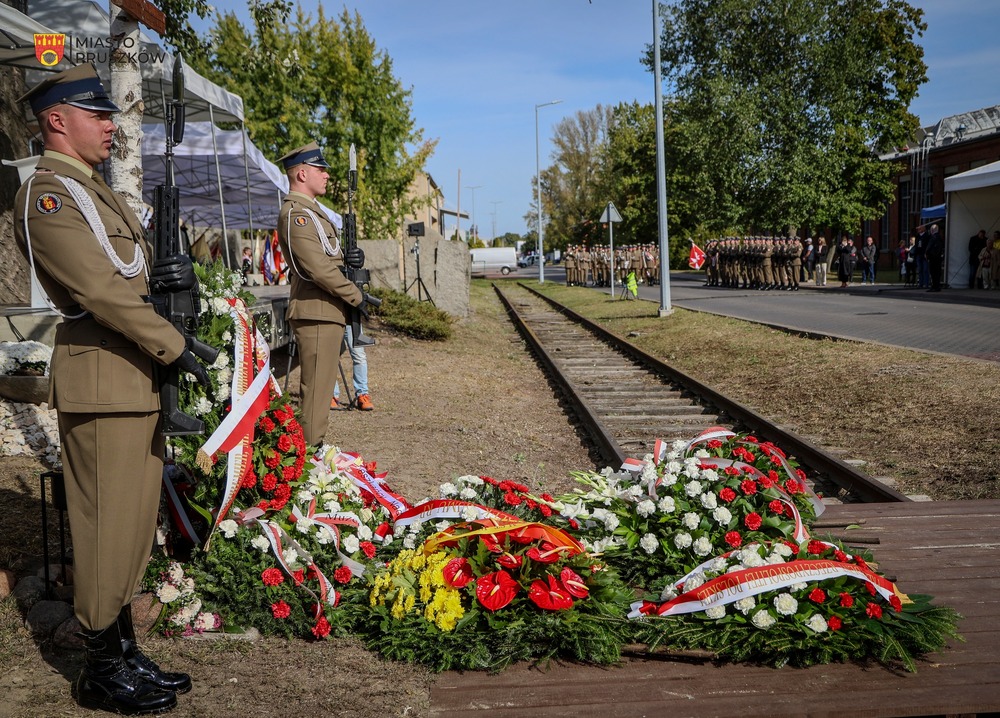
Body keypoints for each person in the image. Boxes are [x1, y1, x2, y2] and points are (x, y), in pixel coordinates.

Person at [13, 64, 210, 714]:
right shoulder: (49, 195)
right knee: (103, 531)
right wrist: (175, 346)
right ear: (56, 120)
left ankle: (123, 651)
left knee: (128, 532)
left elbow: (134, 271)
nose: (109, 125)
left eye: (108, 114)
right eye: (95, 114)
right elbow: (99, 290)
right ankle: (100, 669)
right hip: (102, 383)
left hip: (132, 381)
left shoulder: (97, 192)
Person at [276, 141, 365, 447]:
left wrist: (351, 264)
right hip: (316, 312)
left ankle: (313, 454)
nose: (327, 175)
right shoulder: (296, 214)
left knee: (323, 392)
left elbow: (329, 261)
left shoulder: (312, 213)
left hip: (326, 311)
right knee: (315, 398)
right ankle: (307, 466)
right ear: (301, 174)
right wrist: (355, 295)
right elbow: (316, 268)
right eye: (320, 169)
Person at [332, 324, 374, 411]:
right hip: (332, 319)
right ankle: (332, 395)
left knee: (359, 356)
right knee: (330, 357)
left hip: (351, 321)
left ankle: (362, 395)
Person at [926, 223, 945, 292]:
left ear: (932, 230)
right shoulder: (940, 237)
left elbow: (929, 247)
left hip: (933, 258)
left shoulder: (933, 237)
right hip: (938, 257)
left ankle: (934, 286)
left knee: (933, 272)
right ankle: (936, 286)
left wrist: (927, 253)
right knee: (937, 272)